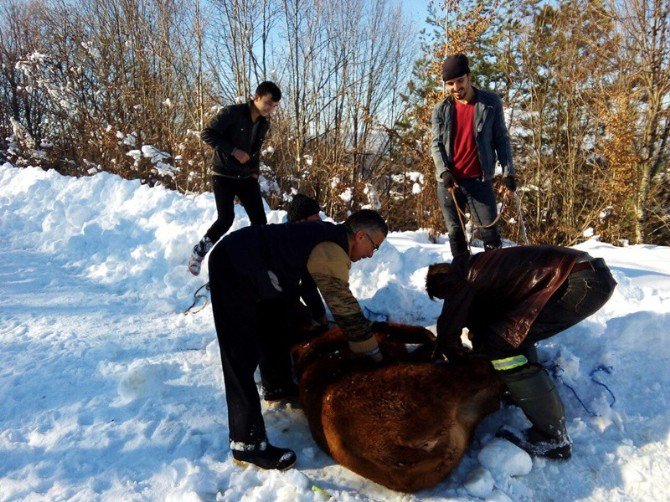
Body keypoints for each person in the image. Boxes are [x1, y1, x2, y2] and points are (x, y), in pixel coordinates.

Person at [208, 209, 387, 470]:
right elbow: (342, 305)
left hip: (261, 272)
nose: (371, 254)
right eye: (374, 246)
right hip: (233, 264)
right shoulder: (332, 248)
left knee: (275, 325)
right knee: (239, 353)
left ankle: (277, 384)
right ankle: (246, 443)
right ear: (360, 236)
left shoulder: (328, 240)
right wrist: (373, 352)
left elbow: (307, 288)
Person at [426, 245, 616, 460]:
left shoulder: (460, 276)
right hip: (585, 275)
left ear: (442, 284)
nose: (448, 300)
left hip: (578, 283)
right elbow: (490, 319)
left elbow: (450, 326)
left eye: (444, 297)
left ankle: (553, 437)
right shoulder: (480, 268)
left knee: (502, 346)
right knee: (510, 336)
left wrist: (452, 356)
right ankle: (521, 391)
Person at [188, 81, 282, 276]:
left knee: (259, 221)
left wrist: (254, 171)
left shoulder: (263, 123)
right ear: (256, 97)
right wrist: (233, 151)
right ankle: (199, 252)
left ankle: (256, 264)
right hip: (223, 174)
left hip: (246, 176)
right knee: (226, 218)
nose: (270, 109)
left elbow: (255, 151)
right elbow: (208, 134)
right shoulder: (233, 113)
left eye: (274, 106)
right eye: (268, 103)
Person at [430, 54, 516, 262]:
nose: (455, 87)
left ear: (469, 77)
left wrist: (508, 173)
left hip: (479, 180)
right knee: (455, 234)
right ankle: (462, 281)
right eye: (450, 83)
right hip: (450, 183)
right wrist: (444, 171)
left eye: (459, 80)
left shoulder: (490, 103)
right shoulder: (441, 110)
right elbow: (436, 144)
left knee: (490, 234)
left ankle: (495, 281)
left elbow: (501, 140)